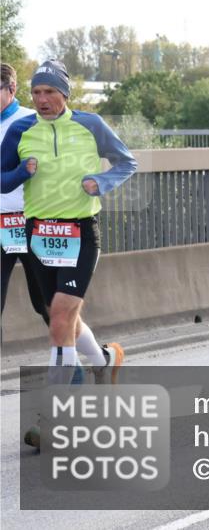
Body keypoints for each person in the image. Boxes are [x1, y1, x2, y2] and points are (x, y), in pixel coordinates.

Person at [1, 60, 134, 389]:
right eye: (36, 92)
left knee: (59, 315)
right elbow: (1, 180)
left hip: (81, 232)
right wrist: (21, 173)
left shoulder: (91, 124)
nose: (41, 99)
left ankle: (60, 410)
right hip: (39, 233)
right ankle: (104, 360)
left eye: (48, 91)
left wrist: (101, 182)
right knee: (59, 315)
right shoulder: (22, 129)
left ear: (64, 93)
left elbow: (126, 162)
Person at [1, 62, 49, 327]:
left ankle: (87, 359)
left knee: (45, 302)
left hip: (32, 220)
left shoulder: (32, 120)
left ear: (12, 88)